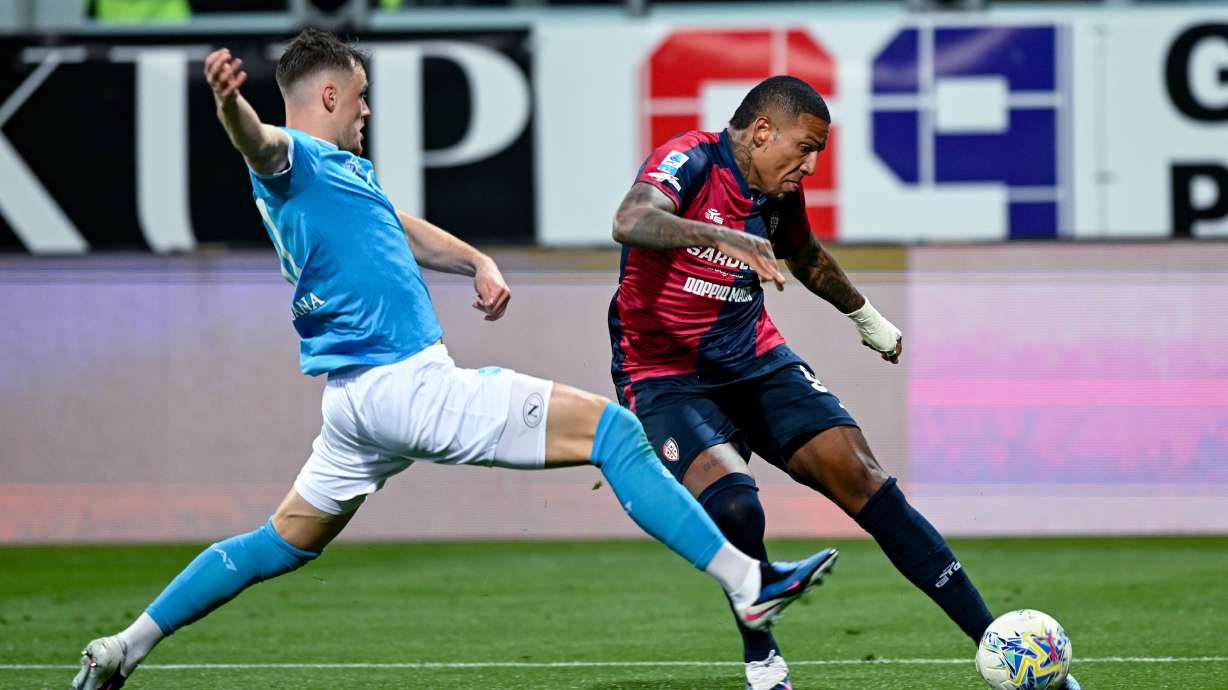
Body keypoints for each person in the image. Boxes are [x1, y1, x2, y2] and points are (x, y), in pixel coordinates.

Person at [69, 31, 839, 690]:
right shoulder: (292, 157)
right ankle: (747, 583)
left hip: (353, 406)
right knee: (613, 433)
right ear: (330, 95)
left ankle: (123, 647)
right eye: (361, 97)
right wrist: (229, 105)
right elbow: (259, 143)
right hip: (406, 386)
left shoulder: (340, 174)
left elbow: (398, 227)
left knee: (279, 542)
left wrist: (475, 260)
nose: (367, 111)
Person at [607, 75, 1081, 690]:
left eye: (817, 154)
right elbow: (631, 219)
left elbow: (804, 255)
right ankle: (764, 663)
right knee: (735, 507)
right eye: (804, 148)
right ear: (761, 131)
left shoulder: (777, 195)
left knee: (865, 479)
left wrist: (865, 317)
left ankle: (1002, 647)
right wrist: (720, 234)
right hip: (664, 375)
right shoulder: (690, 160)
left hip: (756, 361)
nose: (809, 166)